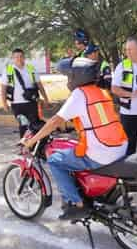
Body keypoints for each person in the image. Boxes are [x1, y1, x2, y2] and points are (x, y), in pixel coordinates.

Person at [21, 57, 128, 220]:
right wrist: (70, 126)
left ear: (75, 78)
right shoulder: (101, 91)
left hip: (101, 152)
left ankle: (77, 204)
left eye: (68, 77)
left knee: (56, 160)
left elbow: (55, 121)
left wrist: (31, 141)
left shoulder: (80, 94)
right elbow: (94, 119)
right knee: (71, 152)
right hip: (120, 146)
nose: (67, 81)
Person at [1, 48, 50, 138]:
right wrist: (4, 103)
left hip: (31, 103)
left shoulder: (31, 69)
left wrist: (46, 99)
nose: (19, 58)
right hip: (17, 104)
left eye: (21, 56)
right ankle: (24, 148)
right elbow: (3, 88)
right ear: (12, 58)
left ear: (24, 57)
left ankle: (36, 147)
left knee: (35, 125)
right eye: (16, 57)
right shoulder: (8, 70)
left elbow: (39, 85)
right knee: (23, 125)